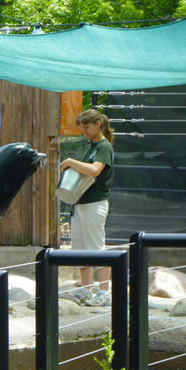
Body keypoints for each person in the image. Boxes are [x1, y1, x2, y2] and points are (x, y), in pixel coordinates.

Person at [61, 109, 114, 306]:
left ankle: (104, 292)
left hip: (95, 204)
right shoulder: (90, 146)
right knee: (80, 248)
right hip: (80, 204)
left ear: (97, 124)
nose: (84, 130)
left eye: (87, 126)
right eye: (82, 127)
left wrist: (70, 162)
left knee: (96, 246)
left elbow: (94, 170)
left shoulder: (103, 146)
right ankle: (85, 289)